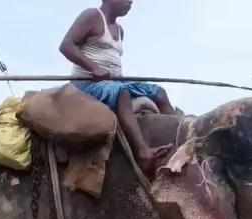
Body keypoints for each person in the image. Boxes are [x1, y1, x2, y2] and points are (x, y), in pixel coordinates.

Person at [60, 0, 175, 175]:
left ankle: (180, 145)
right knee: (122, 94)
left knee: (159, 93)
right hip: (86, 83)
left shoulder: (120, 30)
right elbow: (66, 45)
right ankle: (143, 153)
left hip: (115, 82)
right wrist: (94, 68)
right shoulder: (92, 16)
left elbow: (111, 62)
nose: (131, 2)